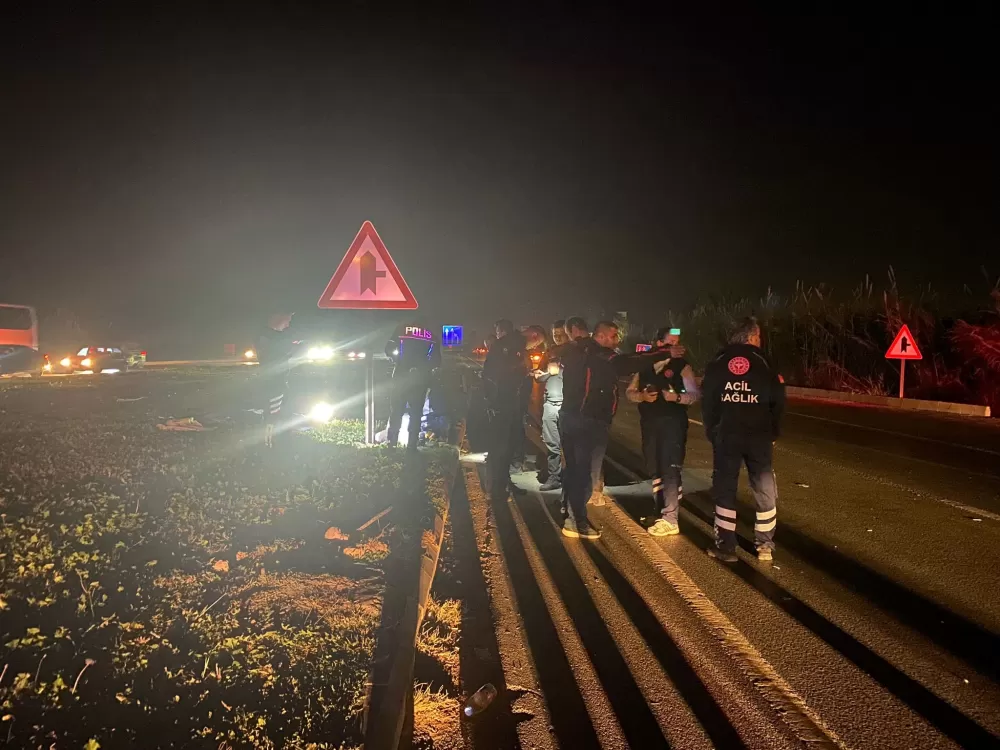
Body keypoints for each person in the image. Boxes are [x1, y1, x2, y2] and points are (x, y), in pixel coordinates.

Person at [701, 317, 785, 562]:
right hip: (758, 435)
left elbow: (708, 402)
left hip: (727, 435)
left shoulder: (719, 361)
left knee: (725, 488)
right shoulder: (765, 362)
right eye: (759, 336)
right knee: (763, 486)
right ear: (751, 337)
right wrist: (773, 432)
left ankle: (726, 546)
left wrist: (713, 431)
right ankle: (765, 544)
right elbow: (778, 400)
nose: (760, 341)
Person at [626, 327, 699, 536]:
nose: (676, 348)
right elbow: (630, 391)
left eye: (678, 343)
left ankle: (670, 518)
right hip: (649, 423)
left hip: (673, 423)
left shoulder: (682, 366)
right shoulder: (644, 366)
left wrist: (676, 398)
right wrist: (641, 396)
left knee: (670, 468)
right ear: (659, 344)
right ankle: (659, 512)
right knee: (654, 466)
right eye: (670, 343)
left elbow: (694, 394)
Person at [482, 319, 527, 498]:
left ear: (500, 331)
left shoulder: (500, 347)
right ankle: (501, 484)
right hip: (513, 402)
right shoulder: (519, 346)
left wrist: (490, 401)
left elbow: (489, 375)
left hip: (502, 402)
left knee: (499, 446)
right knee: (508, 445)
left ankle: (496, 487)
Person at [385, 323, 442, 451]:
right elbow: (437, 361)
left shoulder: (402, 329)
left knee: (396, 411)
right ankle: (412, 446)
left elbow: (388, 349)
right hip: (420, 380)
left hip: (401, 377)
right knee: (416, 413)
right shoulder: (431, 334)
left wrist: (398, 361)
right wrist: (423, 369)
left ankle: (392, 443)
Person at [533, 320, 569, 490]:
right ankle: (554, 477)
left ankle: (572, 480)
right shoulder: (549, 353)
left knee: (571, 445)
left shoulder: (575, 353)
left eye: (561, 334)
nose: (558, 337)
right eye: (555, 334)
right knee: (552, 444)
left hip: (569, 407)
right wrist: (548, 372)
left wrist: (562, 368)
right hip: (550, 405)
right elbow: (537, 376)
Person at [257, 313, 293, 448]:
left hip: (278, 383)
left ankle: (275, 444)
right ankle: (268, 446)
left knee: (277, 415)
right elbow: (280, 352)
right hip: (273, 384)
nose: (288, 325)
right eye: (287, 320)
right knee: (272, 417)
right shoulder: (266, 337)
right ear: (278, 318)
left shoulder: (271, 337)